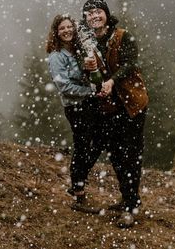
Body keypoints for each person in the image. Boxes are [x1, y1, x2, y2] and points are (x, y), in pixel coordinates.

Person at [82, 0, 149, 228]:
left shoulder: (123, 36)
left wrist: (112, 81)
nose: (94, 16)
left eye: (98, 12)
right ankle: (127, 198)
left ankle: (131, 206)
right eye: (89, 14)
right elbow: (92, 77)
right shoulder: (89, 44)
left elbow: (131, 64)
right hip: (109, 108)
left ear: (107, 15)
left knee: (131, 155)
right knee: (117, 156)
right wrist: (93, 78)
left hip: (132, 104)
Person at [46, 14, 101, 214]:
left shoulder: (79, 50)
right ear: (56, 32)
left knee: (97, 141)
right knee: (82, 146)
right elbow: (64, 86)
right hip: (76, 107)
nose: (67, 30)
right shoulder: (56, 56)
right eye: (62, 28)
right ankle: (79, 194)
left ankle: (78, 180)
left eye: (70, 27)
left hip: (89, 103)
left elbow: (88, 72)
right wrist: (89, 91)